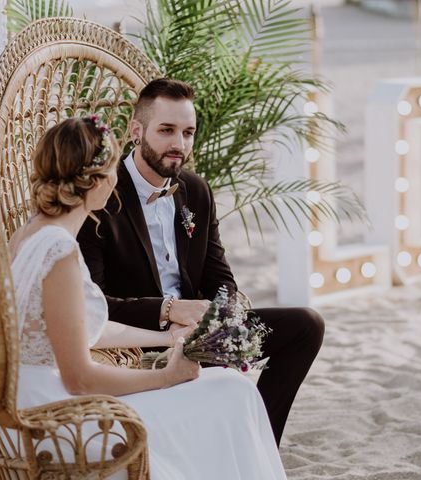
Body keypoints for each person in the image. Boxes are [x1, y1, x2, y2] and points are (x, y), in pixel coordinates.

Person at [9, 116, 287, 480]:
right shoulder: (59, 251)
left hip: (37, 395)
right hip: (60, 418)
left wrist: (167, 338)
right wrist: (168, 377)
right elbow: (81, 379)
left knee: (231, 389)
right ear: (99, 181)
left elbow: (80, 328)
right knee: (233, 394)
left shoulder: (31, 234)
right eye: (111, 170)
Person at [77, 78, 326, 445]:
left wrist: (219, 319)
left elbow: (220, 277)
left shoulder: (196, 190)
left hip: (200, 331)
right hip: (137, 341)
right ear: (136, 130)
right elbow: (93, 302)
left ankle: (260, 446)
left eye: (188, 132)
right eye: (167, 130)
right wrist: (168, 310)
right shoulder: (101, 197)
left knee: (306, 325)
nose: (179, 144)